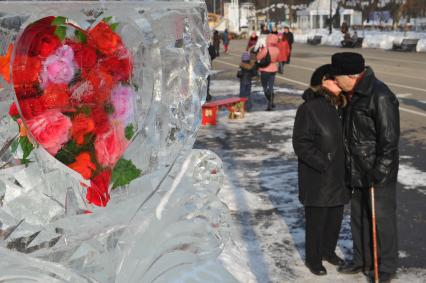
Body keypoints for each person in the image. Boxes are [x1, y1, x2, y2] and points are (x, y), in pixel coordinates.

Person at [331, 52, 400, 283]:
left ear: (350, 75)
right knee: (359, 219)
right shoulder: (351, 94)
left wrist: (380, 171)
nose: (335, 81)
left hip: (376, 172)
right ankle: (362, 260)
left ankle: (386, 267)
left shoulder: (379, 95)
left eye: (337, 76)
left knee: (381, 222)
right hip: (357, 168)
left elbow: (389, 139)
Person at [293, 64, 350, 276]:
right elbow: (301, 143)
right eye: (335, 79)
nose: (340, 83)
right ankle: (313, 258)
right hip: (318, 176)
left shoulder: (343, 107)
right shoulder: (309, 109)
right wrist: (323, 163)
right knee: (316, 222)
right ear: (324, 81)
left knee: (335, 219)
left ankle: (328, 251)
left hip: (340, 176)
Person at [256, 34, 279, 111]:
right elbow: (277, 59)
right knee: (271, 86)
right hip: (273, 68)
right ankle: (271, 102)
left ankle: (269, 102)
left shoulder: (266, 49)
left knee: (265, 87)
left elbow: (258, 57)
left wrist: (259, 52)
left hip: (265, 69)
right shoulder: (277, 49)